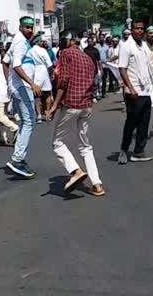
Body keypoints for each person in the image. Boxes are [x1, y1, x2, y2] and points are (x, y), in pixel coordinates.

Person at [47, 31, 105, 196]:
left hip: (71, 103)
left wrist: (55, 104)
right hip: (86, 105)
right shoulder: (87, 57)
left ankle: (75, 171)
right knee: (85, 145)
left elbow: (63, 80)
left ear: (68, 41)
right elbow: (93, 80)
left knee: (57, 142)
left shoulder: (65, 53)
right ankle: (97, 183)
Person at [6, 16, 41, 178]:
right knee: (29, 122)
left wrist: (10, 84)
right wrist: (31, 84)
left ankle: (17, 156)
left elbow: (5, 61)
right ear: (20, 27)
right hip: (22, 88)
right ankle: (17, 159)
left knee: (26, 123)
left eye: (31, 27)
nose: (29, 30)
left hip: (18, 87)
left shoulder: (19, 41)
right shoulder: (20, 41)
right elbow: (16, 65)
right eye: (27, 27)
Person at [117, 21, 153, 164]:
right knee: (131, 122)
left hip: (146, 90)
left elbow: (147, 67)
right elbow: (122, 68)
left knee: (144, 124)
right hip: (134, 92)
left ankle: (139, 151)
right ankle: (124, 150)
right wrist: (130, 88)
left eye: (141, 29)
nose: (139, 31)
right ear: (132, 30)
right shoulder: (126, 46)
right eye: (137, 28)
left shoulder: (144, 45)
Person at [30, 35, 54, 122]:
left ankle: (39, 115)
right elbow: (49, 64)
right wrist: (51, 73)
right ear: (37, 42)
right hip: (43, 72)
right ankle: (47, 112)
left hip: (34, 72)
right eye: (40, 41)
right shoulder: (43, 50)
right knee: (47, 93)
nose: (42, 42)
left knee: (36, 95)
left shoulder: (30, 51)